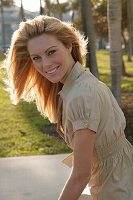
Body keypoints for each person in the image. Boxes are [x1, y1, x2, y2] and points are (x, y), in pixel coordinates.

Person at [5, 15, 133, 200]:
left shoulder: (81, 94)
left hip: (115, 188)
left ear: (68, 45)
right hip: (116, 178)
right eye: (36, 57)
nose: (45, 64)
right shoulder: (78, 83)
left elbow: (81, 175)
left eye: (51, 52)